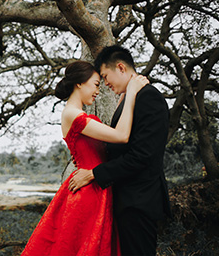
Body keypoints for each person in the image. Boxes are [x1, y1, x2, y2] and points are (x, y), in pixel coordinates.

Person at [21, 60, 149, 256]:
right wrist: (130, 92)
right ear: (79, 83)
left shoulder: (79, 114)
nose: (98, 91)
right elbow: (121, 135)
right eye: (96, 84)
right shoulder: (73, 114)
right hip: (87, 193)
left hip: (96, 187)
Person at [69, 45, 171, 256]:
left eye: (106, 76)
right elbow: (118, 146)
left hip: (139, 201)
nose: (105, 84)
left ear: (121, 68)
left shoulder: (148, 97)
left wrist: (94, 173)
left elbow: (142, 156)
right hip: (126, 199)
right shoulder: (128, 98)